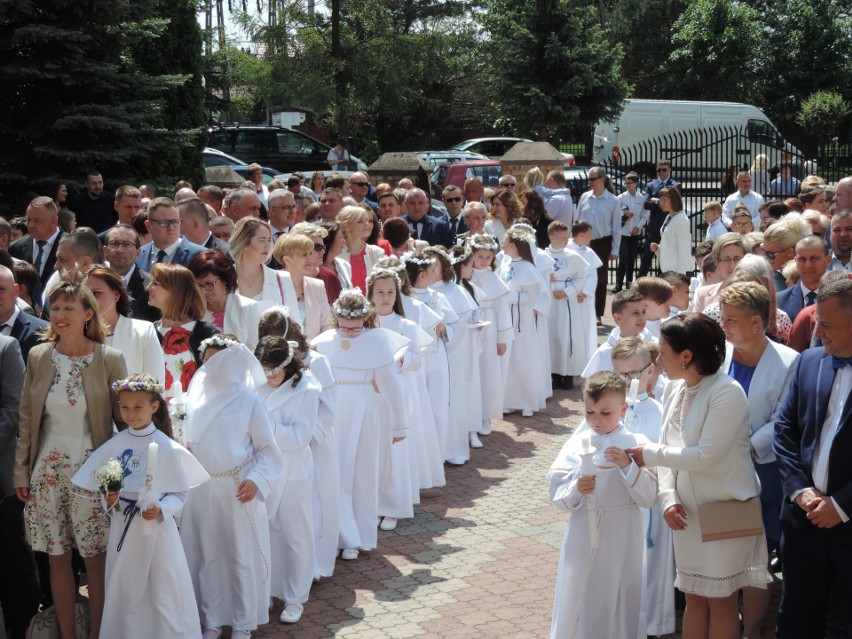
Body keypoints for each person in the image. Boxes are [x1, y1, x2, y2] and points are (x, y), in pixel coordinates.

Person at [626, 313, 771, 639]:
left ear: (687, 356)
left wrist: (646, 453)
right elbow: (668, 451)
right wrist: (668, 499)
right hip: (686, 516)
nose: (659, 360)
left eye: (664, 352)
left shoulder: (727, 392)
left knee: (722, 601)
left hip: (725, 510)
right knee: (693, 598)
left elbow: (705, 456)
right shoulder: (674, 389)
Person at [14, 271, 127, 639]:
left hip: (93, 476)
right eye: (54, 308)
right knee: (56, 560)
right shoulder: (38, 356)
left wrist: (117, 482)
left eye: (68, 308)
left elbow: (122, 426)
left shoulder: (110, 359)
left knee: (95, 562)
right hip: (47, 473)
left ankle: (99, 634)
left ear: (88, 314)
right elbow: (27, 420)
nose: (59, 315)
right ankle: (67, 634)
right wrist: (21, 474)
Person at [71, 374, 209, 639]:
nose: (130, 414)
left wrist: (161, 509)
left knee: (163, 589)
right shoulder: (113, 447)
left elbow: (179, 493)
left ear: (154, 407)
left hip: (158, 534)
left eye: (138, 407)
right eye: (125, 407)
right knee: (127, 591)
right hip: (125, 530)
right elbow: (108, 491)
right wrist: (109, 500)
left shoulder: (168, 448)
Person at [181, 336, 283, 639]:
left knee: (239, 556)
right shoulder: (192, 397)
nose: (211, 367)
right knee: (208, 555)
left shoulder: (248, 399)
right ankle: (211, 619)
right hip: (201, 486)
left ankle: (242, 622)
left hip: (236, 486)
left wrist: (256, 480)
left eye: (218, 360)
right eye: (207, 360)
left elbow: (267, 449)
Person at [547, 372, 657, 639]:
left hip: (623, 530)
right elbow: (557, 488)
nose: (596, 420)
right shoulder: (577, 443)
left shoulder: (636, 443)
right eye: (589, 412)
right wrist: (577, 488)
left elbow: (650, 495)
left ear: (622, 409)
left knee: (619, 590)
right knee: (581, 594)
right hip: (584, 527)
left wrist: (627, 466)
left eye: (605, 413)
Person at [718, 281, 799, 638]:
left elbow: (785, 418)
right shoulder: (717, 355)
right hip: (719, 476)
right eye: (723, 318)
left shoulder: (789, 362)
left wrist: (746, 446)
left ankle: (750, 631)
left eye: (731, 319)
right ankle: (723, 622)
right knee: (722, 557)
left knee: (756, 562)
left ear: (756, 323)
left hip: (762, 478)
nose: (724, 326)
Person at [773, 278, 852, 638]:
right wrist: (799, 490)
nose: (817, 331)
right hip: (802, 522)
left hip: (848, 527)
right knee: (796, 621)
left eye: (827, 324)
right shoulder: (809, 361)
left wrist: (841, 504)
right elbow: (785, 430)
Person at [310, 289, 410, 560]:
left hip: (365, 409)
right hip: (332, 410)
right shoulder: (323, 341)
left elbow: (392, 383)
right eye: (345, 328)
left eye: (356, 329)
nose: (351, 334)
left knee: (361, 472)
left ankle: (359, 535)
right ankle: (339, 535)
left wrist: (401, 426)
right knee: (335, 472)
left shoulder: (377, 340)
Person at [610, 338, 675, 637]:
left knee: (651, 571)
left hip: (649, 506)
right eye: (620, 375)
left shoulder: (662, 413)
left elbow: (670, 462)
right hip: (615, 505)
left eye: (633, 374)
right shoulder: (608, 411)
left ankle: (652, 627)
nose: (627, 382)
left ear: (650, 371)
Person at [254, 336, 319, 625]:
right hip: (261, 468)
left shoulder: (307, 389)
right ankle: (266, 589)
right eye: (263, 371)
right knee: (263, 531)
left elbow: (300, 436)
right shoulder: (253, 384)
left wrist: (265, 429)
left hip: (293, 469)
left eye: (273, 372)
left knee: (295, 533)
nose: (267, 378)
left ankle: (295, 596)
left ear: (287, 366)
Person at [367, 268, 433, 528]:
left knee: (395, 448)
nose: (385, 297)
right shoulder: (364, 325)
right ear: (370, 295)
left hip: (396, 394)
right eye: (380, 292)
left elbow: (418, 359)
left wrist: (401, 359)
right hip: (370, 397)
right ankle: (373, 503)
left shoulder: (406, 326)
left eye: (390, 292)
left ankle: (393, 506)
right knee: (372, 450)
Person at [0, 335, 41, 639]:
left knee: (13, 563)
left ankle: (24, 630)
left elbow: (13, 412)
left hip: (2, 484)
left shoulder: (5, 347)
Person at [146, 263, 220, 397]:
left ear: (176, 290)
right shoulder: (147, 332)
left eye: (155, 283)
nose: (148, 288)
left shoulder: (207, 334)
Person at [85, 266, 164, 383]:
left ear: (116, 295)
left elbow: (156, 384)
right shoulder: (76, 333)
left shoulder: (143, 331)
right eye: (85, 294)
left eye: (96, 293)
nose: (89, 300)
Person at [469, 234, 513, 434]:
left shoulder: (494, 279)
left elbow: (503, 310)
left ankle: (485, 415)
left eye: (488, 257)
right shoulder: (464, 276)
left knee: (487, 370)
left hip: (489, 328)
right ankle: (470, 415)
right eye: (480, 256)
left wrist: (502, 339)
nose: (484, 261)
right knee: (471, 370)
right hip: (470, 327)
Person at [498, 227, 544, 417]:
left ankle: (527, 401)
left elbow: (531, 297)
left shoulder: (528, 268)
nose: (502, 245)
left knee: (524, 357)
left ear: (513, 245)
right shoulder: (505, 264)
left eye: (505, 242)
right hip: (506, 316)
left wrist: (508, 296)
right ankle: (509, 400)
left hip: (522, 319)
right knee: (509, 358)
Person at [545, 220, 592, 390]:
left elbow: (581, 278)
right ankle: (554, 374)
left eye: (567, 237)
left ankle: (568, 374)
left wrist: (568, 292)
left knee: (568, 336)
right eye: (563, 237)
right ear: (552, 237)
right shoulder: (543, 256)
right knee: (552, 336)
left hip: (567, 302)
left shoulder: (573, 256)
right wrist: (548, 283)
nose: (567, 240)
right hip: (550, 302)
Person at [189, 250, 260, 350]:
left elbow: (254, 349)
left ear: (225, 280)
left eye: (209, 284)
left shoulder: (248, 307)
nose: (204, 291)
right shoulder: (193, 312)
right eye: (199, 285)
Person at [575, 167, 621, 321]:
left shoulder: (613, 201)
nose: (590, 182)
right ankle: (580, 309)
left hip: (602, 242)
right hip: (582, 242)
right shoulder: (584, 197)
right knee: (580, 274)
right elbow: (576, 220)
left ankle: (597, 313)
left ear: (602, 180)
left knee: (600, 279)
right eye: (589, 179)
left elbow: (616, 227)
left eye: (593, 179)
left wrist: (615, 249)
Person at [230, 217, 299, 313]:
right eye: (262, 240)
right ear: (244, 243)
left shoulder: (283, 279)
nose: (268, 245)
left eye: (269, 240)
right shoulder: (223, 280)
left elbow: (295, 322)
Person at [582, 289, 652, 378]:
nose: (642, 318)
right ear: (618, 318)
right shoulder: (605, 352)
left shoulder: (650, 345)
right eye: (635, 313)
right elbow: (593, 387)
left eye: (644, 312)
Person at [9, 196, 65, 290]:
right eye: (28, 220)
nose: (30, 225)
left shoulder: (71, 246)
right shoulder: (15, 248)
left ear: (53, 221)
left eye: (37, 221)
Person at [136, 197, 206, 272]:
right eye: (164, 222)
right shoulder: (138, 255)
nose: (171, 227)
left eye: (175, 221)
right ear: (149, 226)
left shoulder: (200, 255)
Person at [776, 235, 831, 323]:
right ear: (795, 262)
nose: (808, 265)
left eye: (814, 259)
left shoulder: (843, 298)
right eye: (802, 259)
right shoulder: (779, 301)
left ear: (828, 260)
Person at [639, 159, 680, 278]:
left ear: (669, 170)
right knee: (647, 257)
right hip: (655, 227)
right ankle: (639, 284)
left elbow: (675, 204)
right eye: (658, 170)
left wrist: (656, 201)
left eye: (664, 170)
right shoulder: (651, 185)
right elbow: (646, 203)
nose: (661, 172)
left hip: (669, 227)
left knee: (664, 258)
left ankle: (661, 284)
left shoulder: (675, 185)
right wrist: (662, 204)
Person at [336, 206, 387, 293]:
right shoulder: (335, 254)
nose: (366, 225)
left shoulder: (376, 252)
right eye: (360, 221)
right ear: (346, 225)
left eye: (368, 221)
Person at [614, 172, 646, 292]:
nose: (627, 185)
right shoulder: (621, 197)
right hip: (623, 231)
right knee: (623, 257)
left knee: (631, 258)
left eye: (629, 182)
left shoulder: (641, 198)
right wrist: (624, 212)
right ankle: (619, 284)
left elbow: (644, 215)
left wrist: (638, 227)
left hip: (634, 232)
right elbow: (615, 212)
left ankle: (629, 282)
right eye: (625, 182)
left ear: (636, 183)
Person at [650, 187, 693, 276]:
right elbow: (670, 243)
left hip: (676, 273)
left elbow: (684, 250)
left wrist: (679, 276)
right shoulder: (670, 216)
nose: (662, 203)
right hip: (668, 270)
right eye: (661, 199)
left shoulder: (681, 220)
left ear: (674, 200)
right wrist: (658, 248)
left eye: (665, 199)